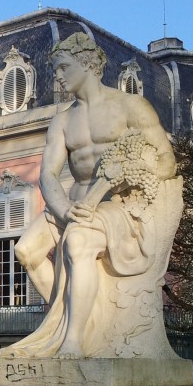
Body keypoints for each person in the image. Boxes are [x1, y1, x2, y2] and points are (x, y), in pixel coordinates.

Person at [10, 33, 178, 358]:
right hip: (73, 203)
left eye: (62, 68)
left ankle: (73, 341)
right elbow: (48, 174)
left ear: (87, 63)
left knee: (78, 242)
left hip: (119, 207)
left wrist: (132, 172)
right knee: (26, 251)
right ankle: (62, 322)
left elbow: (166, 162)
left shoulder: (130, 106)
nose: (57, 77)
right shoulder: (62, 121)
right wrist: (63, 208)